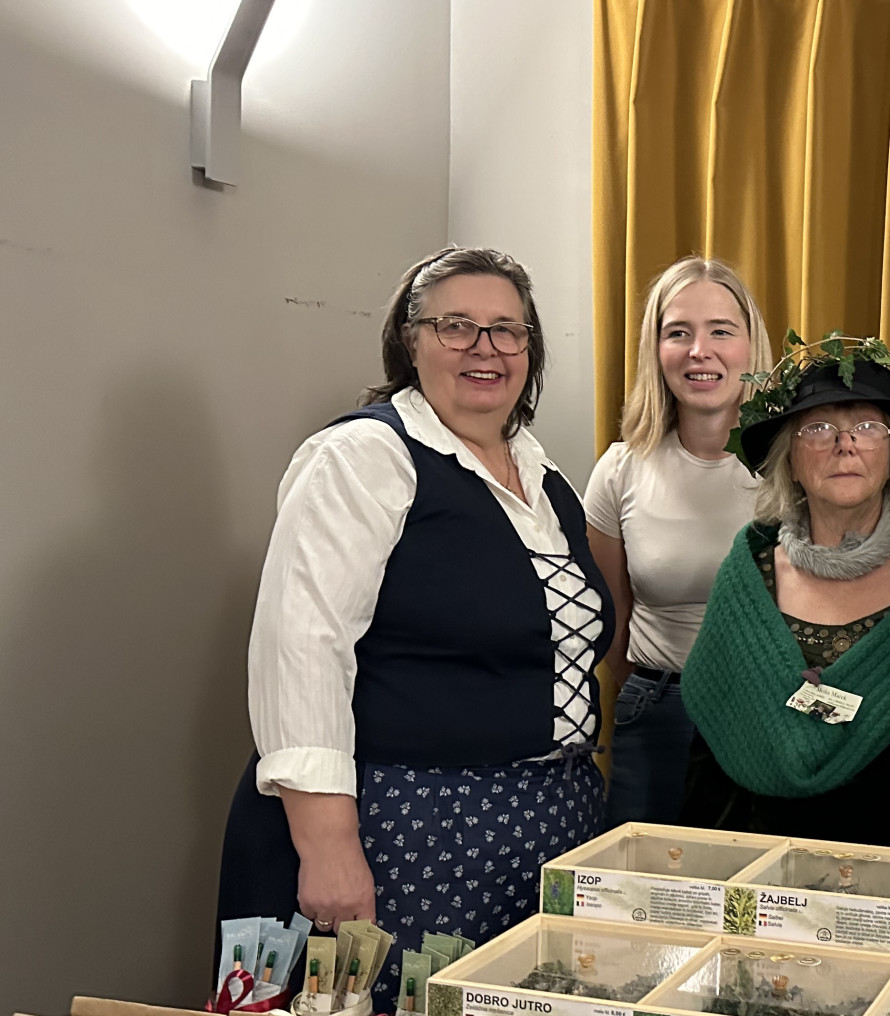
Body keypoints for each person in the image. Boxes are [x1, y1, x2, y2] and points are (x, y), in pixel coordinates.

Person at [216, 248, 615, 1008]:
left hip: (545, 824)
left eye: (508, 330)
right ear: (409, 340)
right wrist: (327, 847)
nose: (485, 348)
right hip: (408, 827)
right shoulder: (365, 457)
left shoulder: (546, 479)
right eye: (456, 326)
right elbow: (303, 646)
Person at [677, 336, 890, 845]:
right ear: (789, 459)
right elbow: (714, 747)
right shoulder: (749, 574)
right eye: (818, 429)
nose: (845, 444)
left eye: (866, 427)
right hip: (762, 855)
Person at [585, 257, 771, 827]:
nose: (699, 351)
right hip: (658, 712)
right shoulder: (621, 469)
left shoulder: (797, 469)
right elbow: (607, 614)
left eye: (720, 331)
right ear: (656, 349)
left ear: (750, 346)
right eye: (678, 333)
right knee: (637, 898)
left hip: (766, 716)